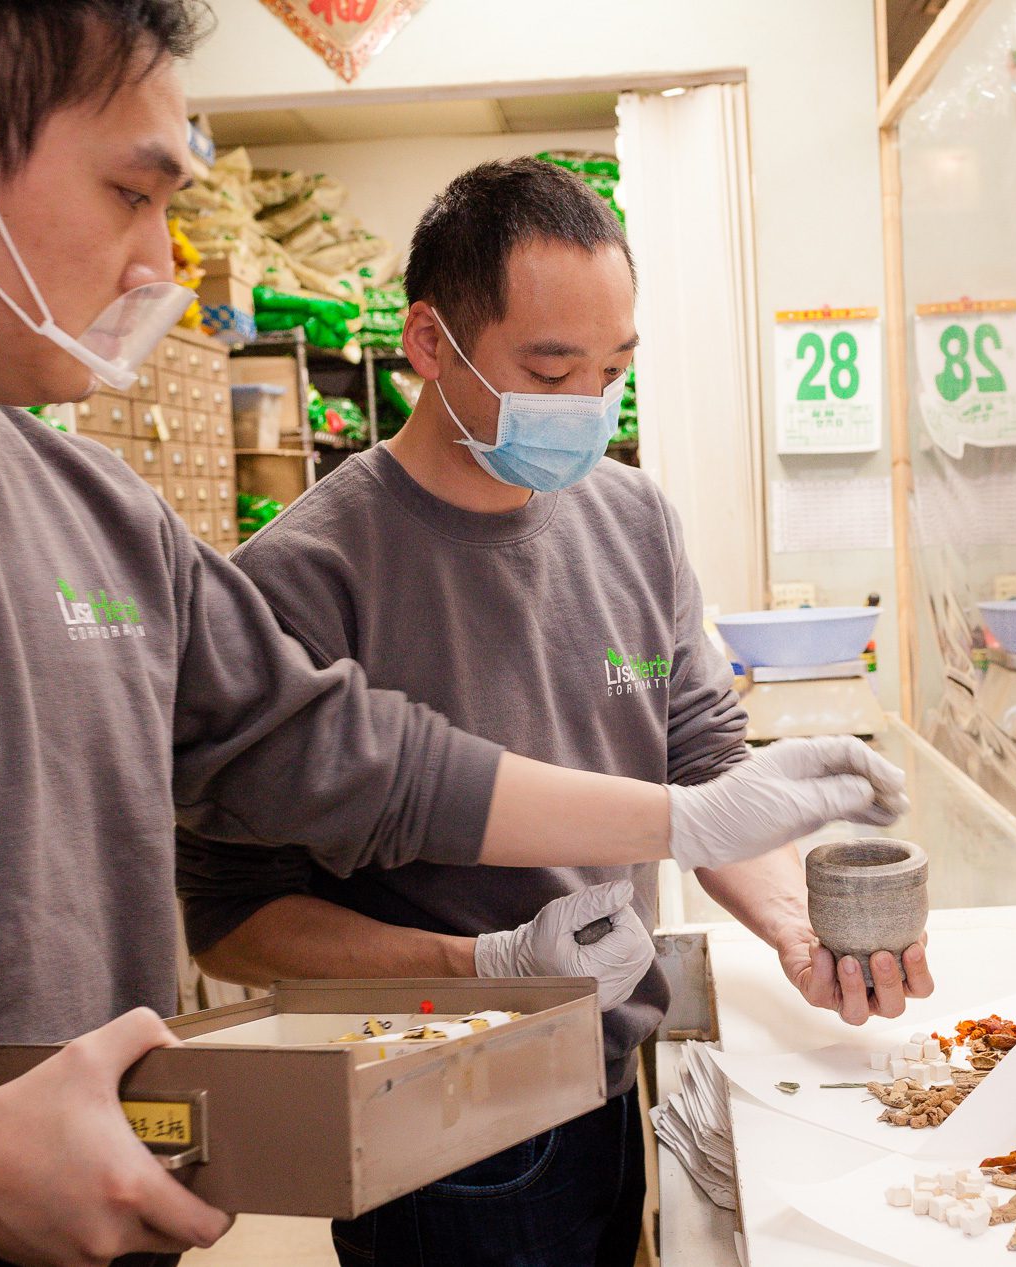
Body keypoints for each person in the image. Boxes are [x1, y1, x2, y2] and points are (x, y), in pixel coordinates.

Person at [0, 3, 908, 1264]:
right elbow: (239, 897)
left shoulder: (101, 517)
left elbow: (347, 755)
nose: (161, 264)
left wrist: (683, 820)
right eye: (130, 193)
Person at [176, 160, 935, 1267]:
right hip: (441, 1106)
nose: (587, 404)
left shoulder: (632, 517)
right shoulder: (305, 577)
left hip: (611, 1073)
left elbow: (703, 769)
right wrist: (480, 967)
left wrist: (796, 925)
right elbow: (232, 916)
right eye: (549, 369)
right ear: (429, 342)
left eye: (614, 368)